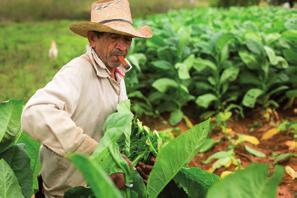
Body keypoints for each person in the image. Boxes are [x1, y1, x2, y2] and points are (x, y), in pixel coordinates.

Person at [21, 0, 153, 197]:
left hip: (101, 189)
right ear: (93, 38)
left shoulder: (117, 73)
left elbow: (111, 130)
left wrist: (134, 160)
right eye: (114, 37)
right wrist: (100, 157)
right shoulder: (78, 72)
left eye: (127, 39)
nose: (122, 46)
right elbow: (35, 113)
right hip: (68, 192)